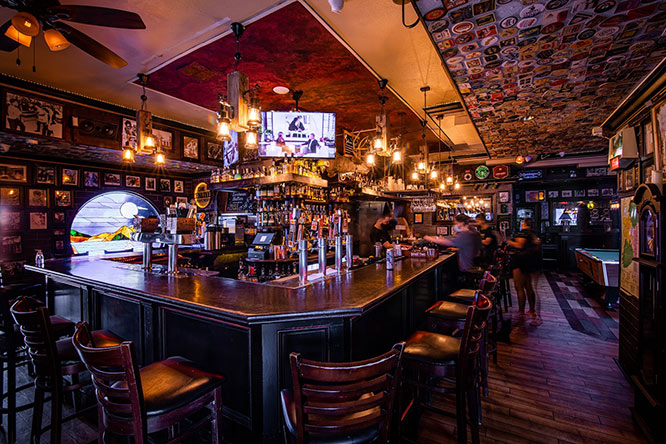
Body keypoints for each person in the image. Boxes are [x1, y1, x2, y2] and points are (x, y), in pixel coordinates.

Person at [507, 218, 542, 325]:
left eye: (522, 222)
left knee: (519, 287)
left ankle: (521, 312)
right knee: (529, 287)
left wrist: (507, 241)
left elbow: (519, 245)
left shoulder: (523, 233)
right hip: (532, 262)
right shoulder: (534, 234)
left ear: (524, 224)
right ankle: (532, 311)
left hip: (520, 261)